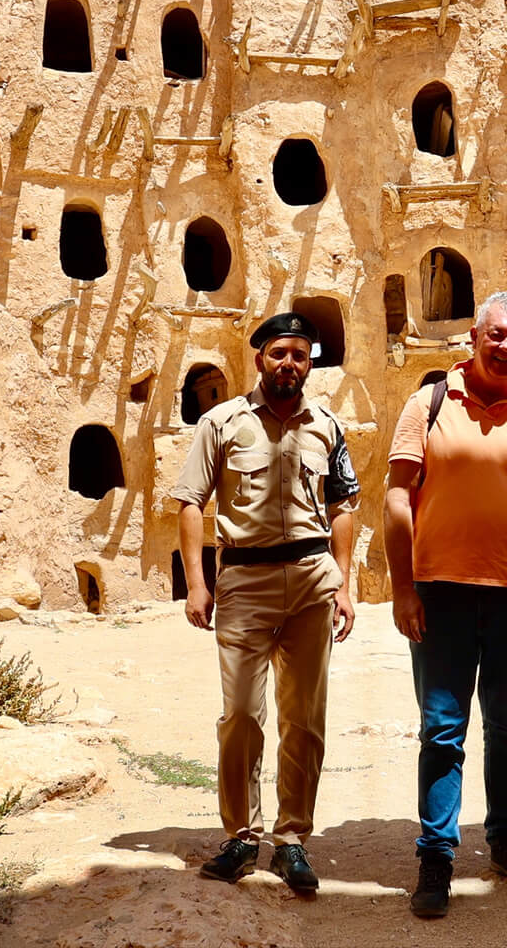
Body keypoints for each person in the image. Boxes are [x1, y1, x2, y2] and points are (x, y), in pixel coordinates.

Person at [384, 292, 507, 919]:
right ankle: (436, 856)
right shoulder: (428, 403)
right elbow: (396, 499)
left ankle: (506, 842)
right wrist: (404, 588)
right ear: (474, 336)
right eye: (496, 335)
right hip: (439, 592)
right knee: (442, 729)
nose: (506, 347)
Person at [170, 312, 360, 893]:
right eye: (279, 353)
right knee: (242, 717)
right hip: (245, 583)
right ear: (260, 359)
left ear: (310, 363)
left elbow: (345, 504)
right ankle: (241, 836)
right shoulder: (221, 423)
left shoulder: (326, 426)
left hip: (309, 580)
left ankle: (293, 839)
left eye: (299, 355)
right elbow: (189, 502)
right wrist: (198, 583)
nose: (289, 364)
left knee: (304, 718)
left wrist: (344, 581)